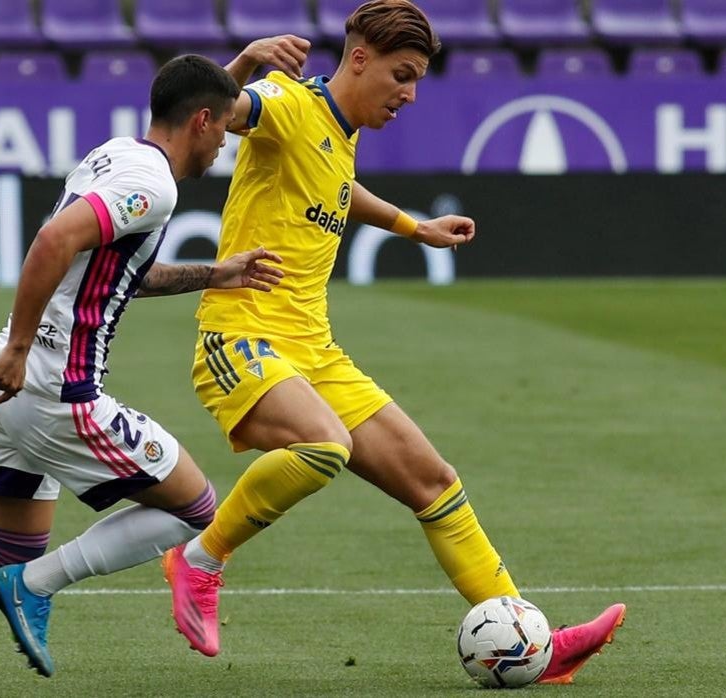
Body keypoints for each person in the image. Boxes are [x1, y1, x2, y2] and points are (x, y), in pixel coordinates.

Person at [161, 1, 625, 685]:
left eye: (416, 81)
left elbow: (336, 187)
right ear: (358, 59)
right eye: (401, 76)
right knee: (324, 447)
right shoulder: (285, 102)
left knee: (435, 484)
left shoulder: (336, 126)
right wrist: (247, 63)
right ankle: (199, 560)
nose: (408, 94)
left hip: (313, 350)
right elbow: (205, 115)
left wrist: (416, 227)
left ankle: (538, 645)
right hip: (243, 336)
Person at [0, 54, 290, 697]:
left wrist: (215, 273)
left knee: (7, 545)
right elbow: (53, 242)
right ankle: (37, 587)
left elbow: (118, 275)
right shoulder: (155, 186)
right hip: (53, 388)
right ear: (204, 121)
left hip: (5, 382)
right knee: (196, 510)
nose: (227, 142)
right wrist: (22, 347)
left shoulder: (114, 155)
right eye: (225, 127)